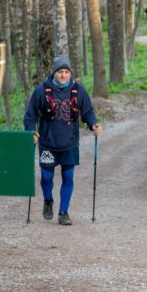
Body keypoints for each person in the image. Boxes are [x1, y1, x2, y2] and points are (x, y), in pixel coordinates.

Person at [24, 56, 101, 225]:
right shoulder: (42, 90)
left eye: (66, 72)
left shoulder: (78, 91)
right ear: (54, 72)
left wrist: (93, 124)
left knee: (68, 177)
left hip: (69, 142)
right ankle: (48, 200)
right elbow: (30, 116)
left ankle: (63, 212)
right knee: (46, 177)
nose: (63, 75)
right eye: (60, 72)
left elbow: (87, 112)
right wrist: (31, 131)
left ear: (70, 73)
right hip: (47, 142)